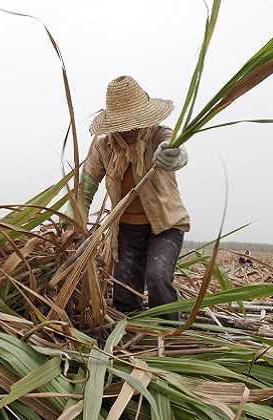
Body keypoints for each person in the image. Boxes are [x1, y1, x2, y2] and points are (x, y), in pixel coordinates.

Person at [70, 75, 190, 320]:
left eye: (134, 123)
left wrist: (172, 154)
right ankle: (132, 338)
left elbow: (177, 152)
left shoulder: (159, 136)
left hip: (165, 227)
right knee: (124, 292)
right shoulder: (104, 147)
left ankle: (167, 331)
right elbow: (86, 190)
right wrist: (72, 225)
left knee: (157, 277)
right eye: (123, 124)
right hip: (126, 230)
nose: (129, 130)